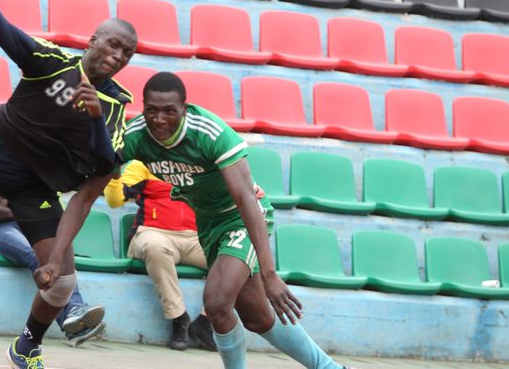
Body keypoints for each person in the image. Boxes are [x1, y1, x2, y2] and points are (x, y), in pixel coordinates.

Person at [75, 71, 354, 369]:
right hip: (208, 225)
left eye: (170, 111)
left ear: (184, 108)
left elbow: (245, 198)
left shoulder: (209, 132)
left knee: (218, 302)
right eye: (152, 110)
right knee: (257, 318)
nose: (159, 119)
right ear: (143, 107)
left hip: (241, 216)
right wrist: (96, 128)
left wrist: (270, 275)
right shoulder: (136, 135)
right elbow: (101, 171)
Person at [0, 0, 137, 369]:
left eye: (127, 54)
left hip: (37, 184)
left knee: (63, 281)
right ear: (94, 40)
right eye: (114, 45)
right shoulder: (49, 61)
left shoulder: (117, 105)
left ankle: (27, 346)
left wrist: (92, 117)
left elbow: (105, 165)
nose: (118, 57)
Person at [104, 160, 216, 352]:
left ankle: (205, 323)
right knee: (155, 246)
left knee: (239, 258)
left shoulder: (205, 164)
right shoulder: (144, 162)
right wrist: (113, 177)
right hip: (153, 233)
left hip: (196, 238)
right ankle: (179, 319)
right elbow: (114, 200)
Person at [0, 196, 106, 346]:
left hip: (27, 226)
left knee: (58, 258)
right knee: (39, 258)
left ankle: (75, 315)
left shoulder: (38, 180)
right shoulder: (4, 173)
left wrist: (29, 212)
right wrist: (32, 212)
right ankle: (73, 315)